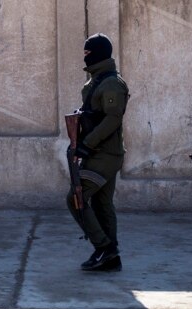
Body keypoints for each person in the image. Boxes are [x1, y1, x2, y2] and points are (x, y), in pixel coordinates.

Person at [67, 33, 129, 272]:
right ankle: (111, 256)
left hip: (106, 154)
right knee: (103, 203)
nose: (85, 56)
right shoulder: (96, 81)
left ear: (99, 53)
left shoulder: (112, 83)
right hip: (97, 152)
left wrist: (87, 144)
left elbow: (112, 119)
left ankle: (103, 247)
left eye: (88, 52)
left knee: (76, 198)